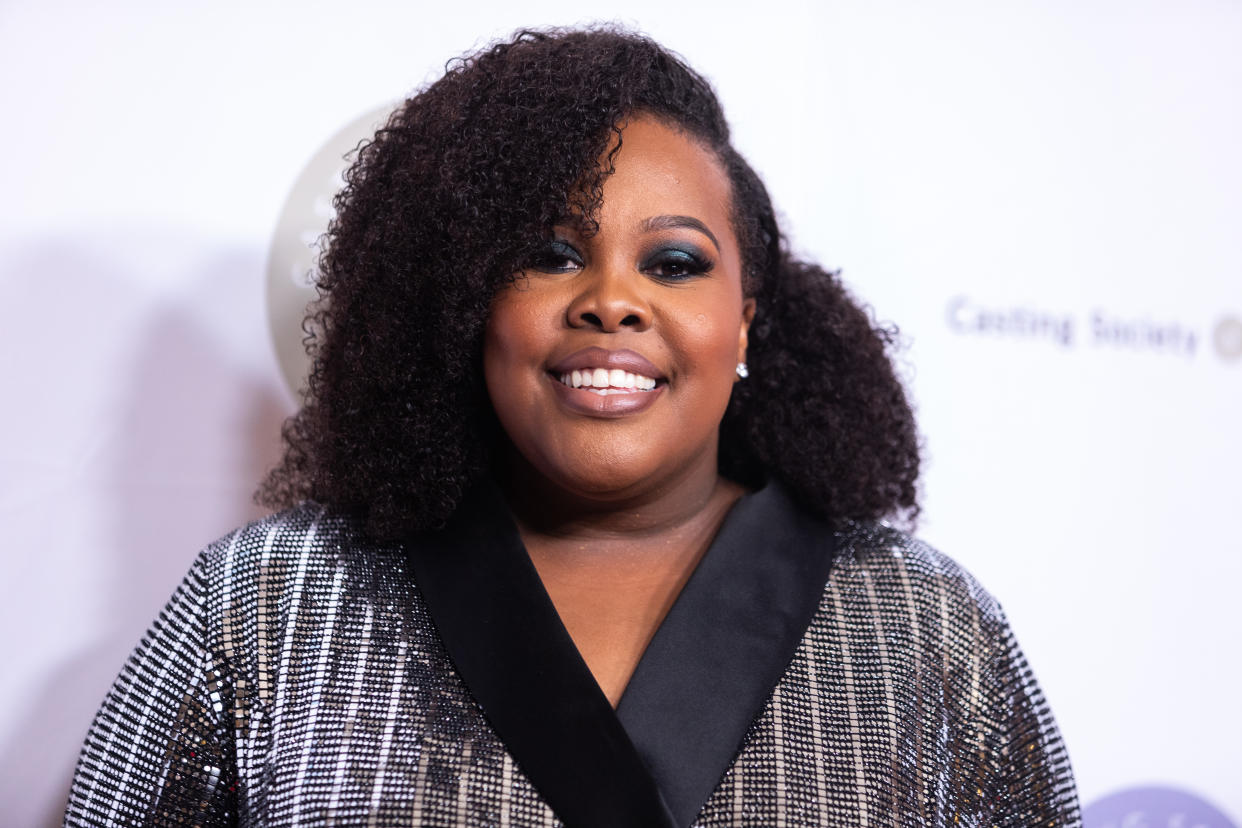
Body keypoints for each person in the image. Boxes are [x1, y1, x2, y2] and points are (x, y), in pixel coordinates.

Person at [64, 27, 1081, 828]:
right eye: (550, 253)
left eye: (673, 262)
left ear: (746, 320)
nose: (611, 300)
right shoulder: (268, 603)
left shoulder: (927, 629)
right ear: (471, 305)